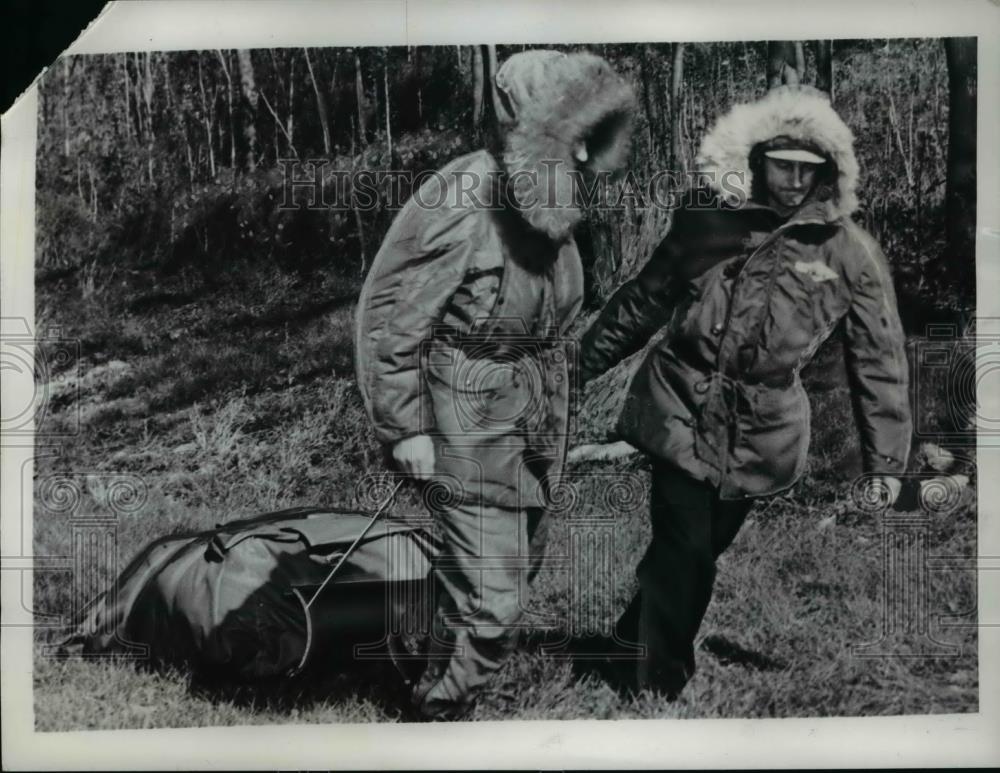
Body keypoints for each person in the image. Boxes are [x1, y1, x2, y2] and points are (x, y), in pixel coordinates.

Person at [576, 84, 912, 698]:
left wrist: (886, 460)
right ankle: (658, 685)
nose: (793, 181)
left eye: (809, 171)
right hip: (680, 401)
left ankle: (626, 648)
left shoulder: (849, 254)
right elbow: (641, 303)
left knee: (699, 551)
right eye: (783, 165)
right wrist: (574, 372)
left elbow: (878, 357)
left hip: (765, 428)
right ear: (757, 160)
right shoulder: (707, 222)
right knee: (685, 544)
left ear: (828, 173)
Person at [355, 49, 635, 720]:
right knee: (494, 594)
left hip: (534, 407)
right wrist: (406, 427)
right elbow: (394, 320)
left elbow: (561, 307)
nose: (583, 146)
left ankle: (429, 670)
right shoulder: (463, 196)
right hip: (463, 409)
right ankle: (438, 713)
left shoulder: (555, 195)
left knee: (511, 566)